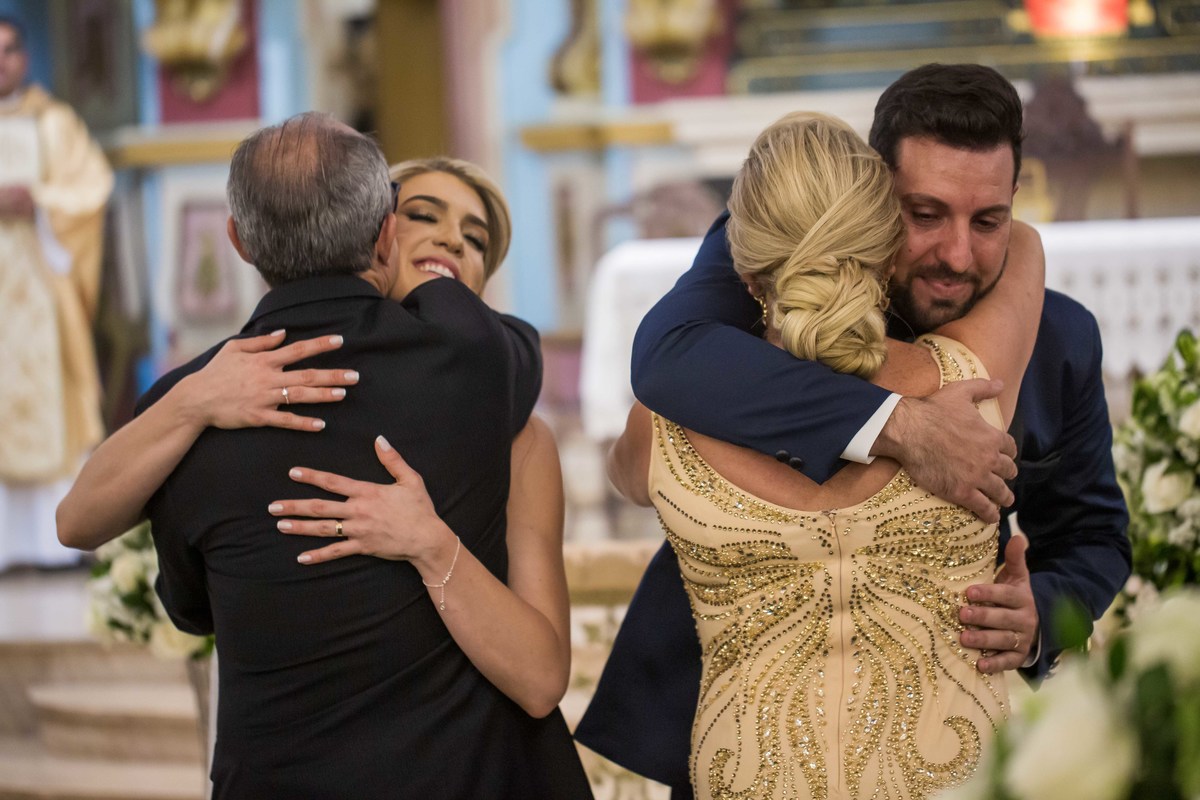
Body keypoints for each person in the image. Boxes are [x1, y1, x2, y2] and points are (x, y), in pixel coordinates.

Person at [575, 64, 1130, 796]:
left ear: (1016, 203)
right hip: (740, 724)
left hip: (949, 724)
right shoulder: (743, 301)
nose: (958, 256)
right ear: (868, 198)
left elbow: (1094, 534)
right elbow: (663, 356)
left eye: (990, 221)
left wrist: (1040, 613)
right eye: (924, 215)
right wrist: (896, 423)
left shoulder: (1055, 339)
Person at [60, 118, 592, 798]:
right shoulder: (480, 361)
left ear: (238, 241)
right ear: (386, 233)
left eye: (474, 235)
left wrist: (431, 545)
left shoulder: (189, 409)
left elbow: (181, 601)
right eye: (420, 216)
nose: (450, 242)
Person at [0, 15, 112, 572]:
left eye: (10, 49)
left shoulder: (55, 123)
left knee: (55, 394)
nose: (2, 60)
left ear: (24, 57)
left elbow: (91, 187)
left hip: (43, 287)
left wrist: (39, 201)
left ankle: (50, 543)